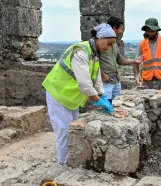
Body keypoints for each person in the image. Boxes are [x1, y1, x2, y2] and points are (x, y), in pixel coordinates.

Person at [42, 23, 117, 165]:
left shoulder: (94, 55)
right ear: (100, 38)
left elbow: (96, 79)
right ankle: (62, 165)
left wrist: (103, 96)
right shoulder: (81, 52)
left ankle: (71, 161)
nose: (109, 47)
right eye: (109, 43)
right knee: (63, 133)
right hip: (58, 94)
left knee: (73, 130)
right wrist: (97, 100)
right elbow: (84, 84)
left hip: (70, 98)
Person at [91, 16, 142, 104]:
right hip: (104, 82)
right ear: (114, 28)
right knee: (105, 105)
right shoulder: (99, 43)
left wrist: (134, 61)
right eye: (121, 29)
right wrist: (102, 75)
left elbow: (120, 60)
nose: (121, 31)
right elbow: (93, 61)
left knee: (116, 105)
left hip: (115, 80)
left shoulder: (114, 44)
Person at [133, 17, 161, 90]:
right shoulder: (142, 44)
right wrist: (137, 75)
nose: (150, 34)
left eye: (152, 31)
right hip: (147, 80)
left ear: (157, 30)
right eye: (148, 31)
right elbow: (136, 62)